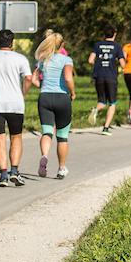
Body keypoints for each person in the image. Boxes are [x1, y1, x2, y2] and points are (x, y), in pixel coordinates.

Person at [0, 29, 35, 187]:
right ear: (12, 42)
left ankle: (3, 175)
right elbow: (29, 78)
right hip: (15, 103)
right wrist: (23, 93)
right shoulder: (20, 58)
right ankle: (15, 171)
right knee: (16, 137)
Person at [35, 32, 75, 178]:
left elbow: (34, 78)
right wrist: (73, 92)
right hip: (61, 98)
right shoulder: (66, 60)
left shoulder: (42, 60)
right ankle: (61, 168)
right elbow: (68, 77)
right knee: (62, 136)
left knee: (47, 132)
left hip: (44, 97)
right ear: (62, 45)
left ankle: (44, 156)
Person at [87, 27, 124, 134]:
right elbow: (123, 64)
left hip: (99, 76)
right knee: (112, 103)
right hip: (111, 77)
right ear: (114, 34)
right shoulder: (117, 46)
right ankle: (106, 128)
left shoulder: (97, 45)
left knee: (102, 101)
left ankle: (96, 110)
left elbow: (90, 60)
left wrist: (99, 64)